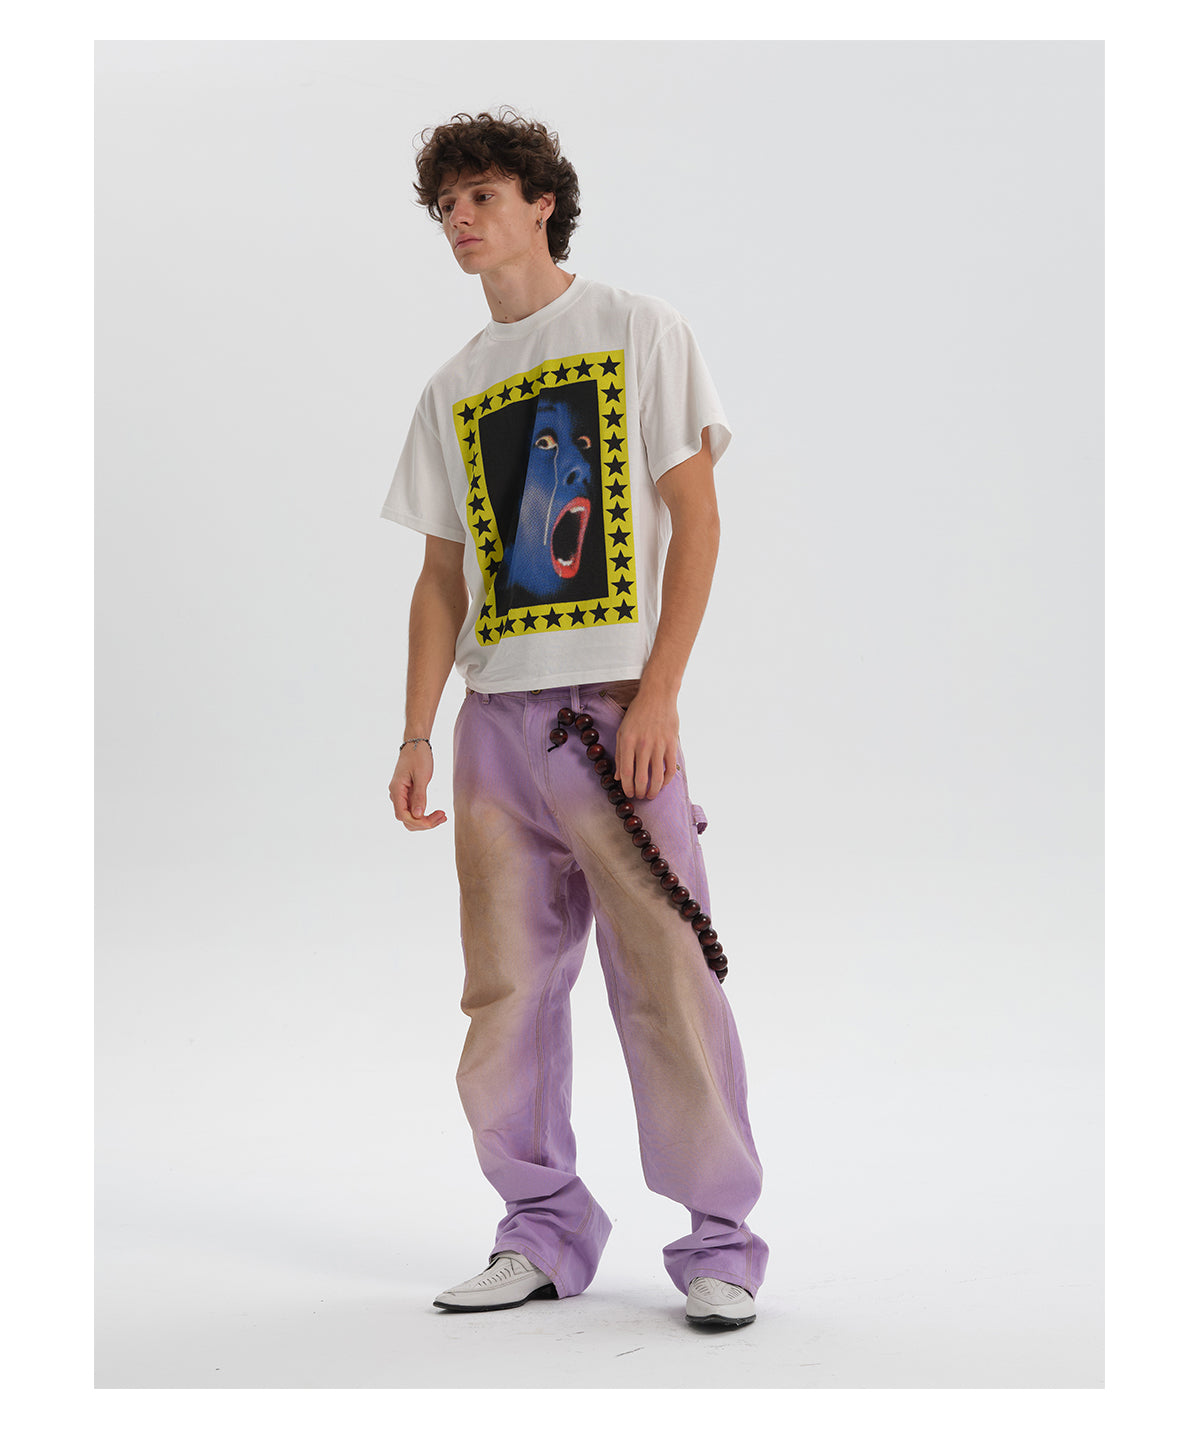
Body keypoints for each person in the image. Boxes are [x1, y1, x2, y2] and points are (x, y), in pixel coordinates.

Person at [381, 108, 768, 1329]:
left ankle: (719, 1242)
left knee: (668, 977)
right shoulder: (452, 387)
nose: (461, 220)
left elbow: (696, 517)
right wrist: (416, 731)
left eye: (483, 197)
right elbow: (441, 577)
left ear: (542, 202)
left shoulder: (637, 329)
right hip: (496, 727)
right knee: (504, 992)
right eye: (447, 206)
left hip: (612, 718)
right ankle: (541, 1229)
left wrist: (660, 692)